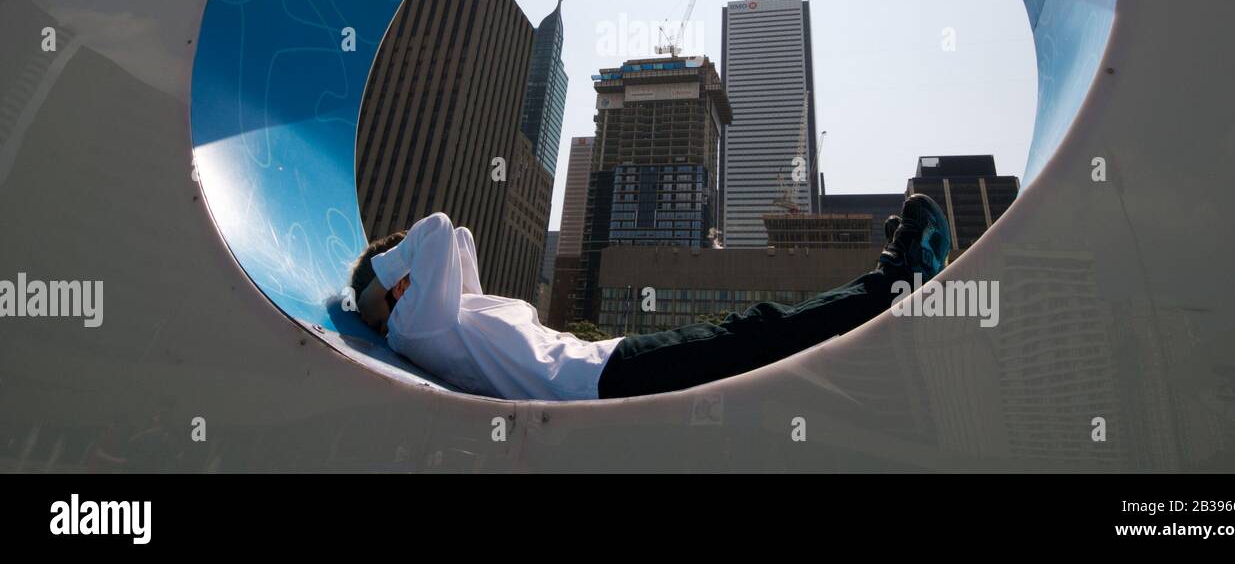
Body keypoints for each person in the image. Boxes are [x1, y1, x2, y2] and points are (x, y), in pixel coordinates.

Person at [351, 193, 952, 401]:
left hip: (606, 368)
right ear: (390, 292)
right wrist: (382, 280)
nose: (408, 276)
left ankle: (892, 283)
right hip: (601, 379)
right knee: (757, 332)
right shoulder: (414, 330)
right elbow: (435, 228)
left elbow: (458, 238)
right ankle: (897, 278)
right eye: (395, 276)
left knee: (756, 338)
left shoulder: (448, 316)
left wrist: (391, 270)